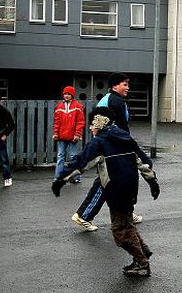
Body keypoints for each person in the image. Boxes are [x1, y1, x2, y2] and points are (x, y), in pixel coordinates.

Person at [52, 107, 160, 277]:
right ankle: (142, 252)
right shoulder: (125, 137)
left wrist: (61, 179)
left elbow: (82, 162)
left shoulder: (100, 142)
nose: (90, 128)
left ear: (100, 122)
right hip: (130, 188)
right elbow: (143, 162)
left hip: (115, 190)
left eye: (92, 124)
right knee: (126, 222)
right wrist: (153, 181)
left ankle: (142, 263)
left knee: (119, 230)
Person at [71, 73, 141, 232]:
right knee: (106, 181)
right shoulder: (113, 100)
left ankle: (126, 213)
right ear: (115, 85)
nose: (128, 88)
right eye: (125, 84)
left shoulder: (113, 100)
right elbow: (98, 125)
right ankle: (84, 215)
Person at [53, 86, 85, 183]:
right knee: (60, 156)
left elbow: (80, 122)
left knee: (73, 157)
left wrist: (77, 134)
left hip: (73, 136)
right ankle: (58, 177)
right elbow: (56, 122)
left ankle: (76, 177)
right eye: (65, 94)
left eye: (68, 94)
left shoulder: (78, 106)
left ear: (72, 95)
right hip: (62, 136)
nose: (66, 96)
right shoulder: (59, 107)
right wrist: (55, 133)